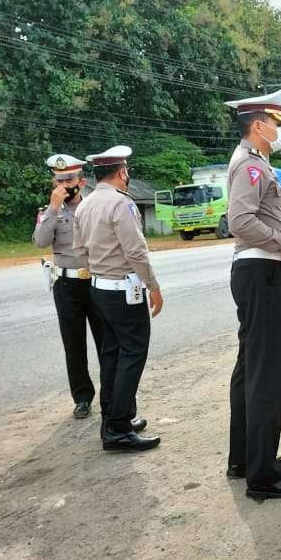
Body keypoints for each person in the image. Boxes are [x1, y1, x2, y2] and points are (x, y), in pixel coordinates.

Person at [223, 89, 281, 500]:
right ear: (259, 125)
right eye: (275, 124)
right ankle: (264, 473)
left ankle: (244, 458)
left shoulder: (254, 163)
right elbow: (239, 219)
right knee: (266, 372)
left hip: (256, 271)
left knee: (250, 368)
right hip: (262, 271)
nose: (278, 132)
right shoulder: (251, 166)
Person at [73, 146, 162, 452]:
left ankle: (111, 420)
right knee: (133, 353)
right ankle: (119, 427)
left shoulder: (85, 205)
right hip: (125, 291)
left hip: (99, 288)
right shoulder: (120, 204)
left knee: (112, 355)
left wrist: (99, 270)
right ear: (122, 172)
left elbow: (79, 250)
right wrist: (153, 285)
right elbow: (135, 251)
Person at [32, 154, 104, 419]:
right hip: (66, 284)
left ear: (82, 181)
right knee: (73, 345)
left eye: (70, 179)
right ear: (54, 181)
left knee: (105, 341)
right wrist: (52, 209)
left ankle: (110, 396)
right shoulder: (47, 212)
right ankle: (82, 397)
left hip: (95, 281)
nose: (65, 184)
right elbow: (40, 242)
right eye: (60, 180)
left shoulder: (95, 207)